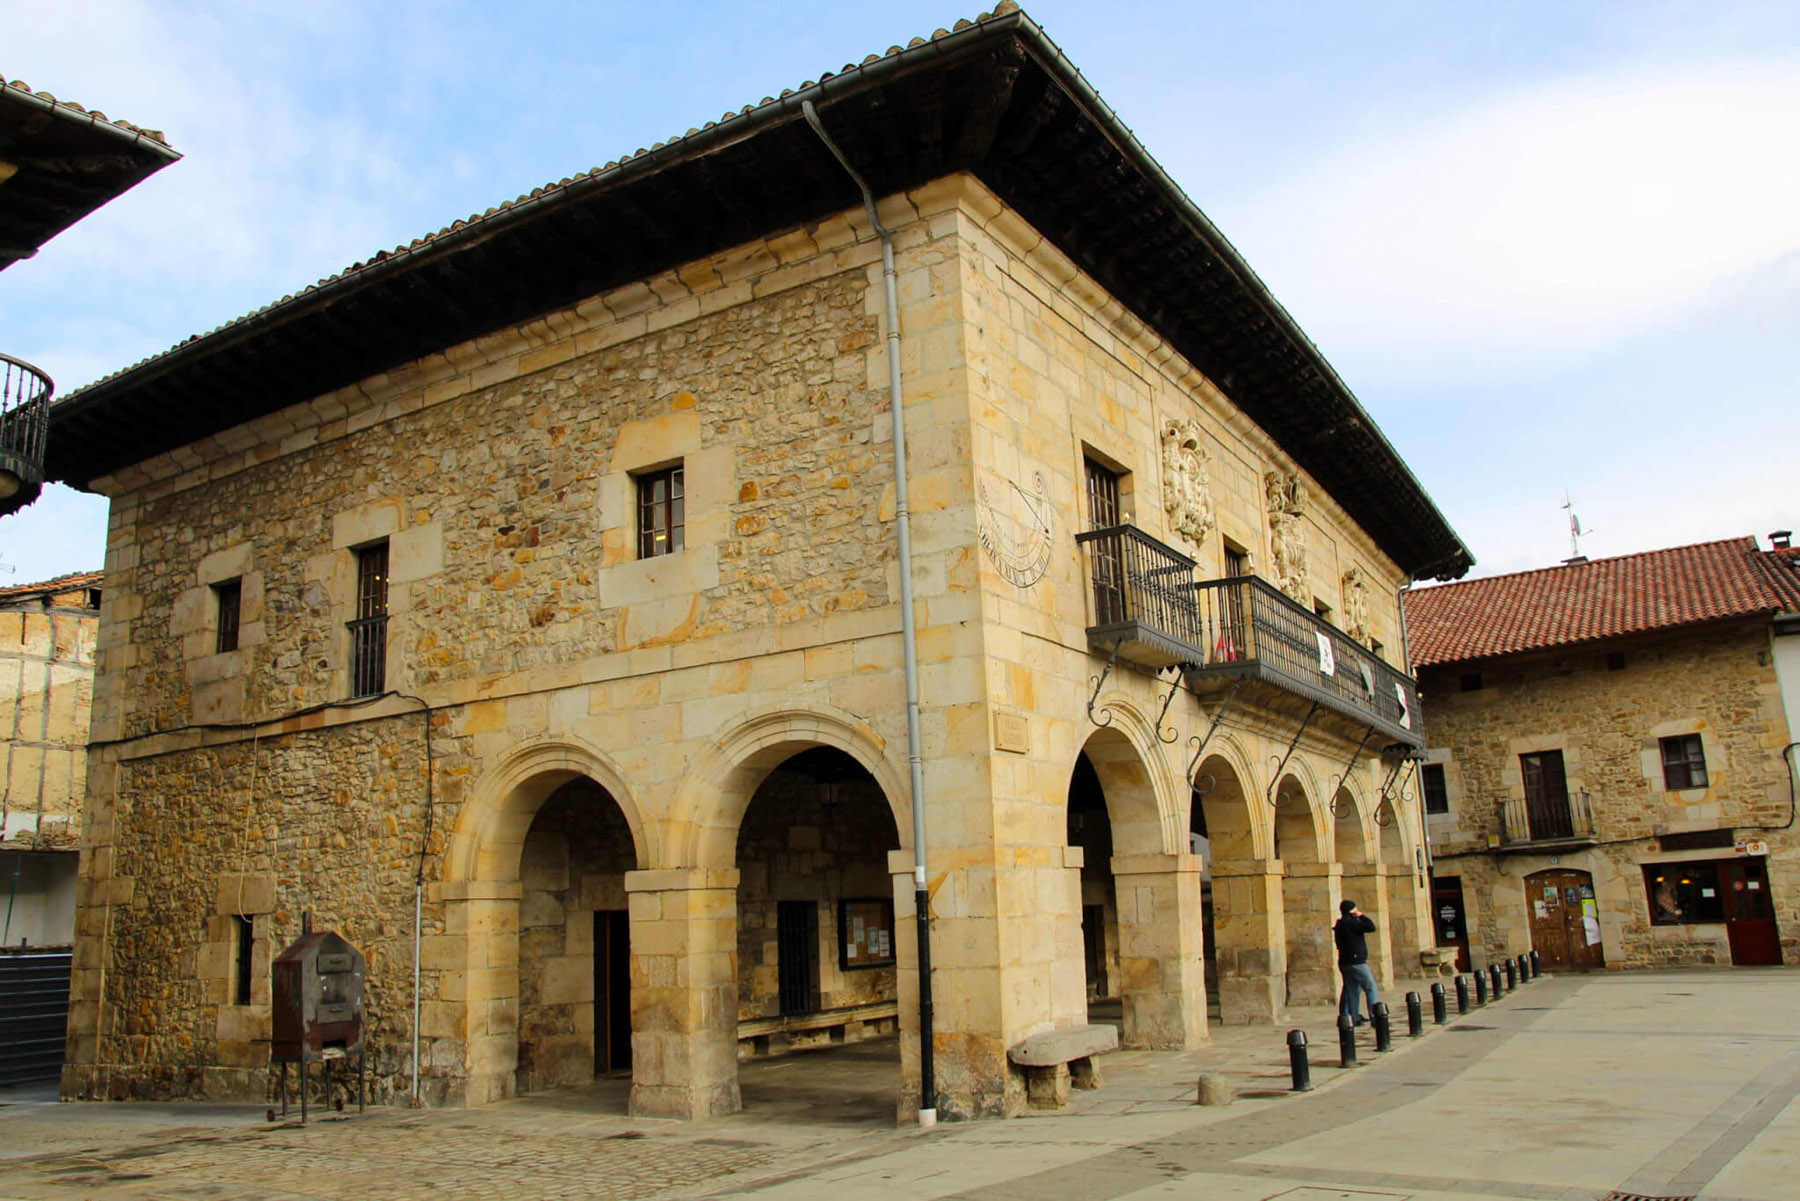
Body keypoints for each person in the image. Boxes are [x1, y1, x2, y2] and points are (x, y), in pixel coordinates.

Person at [1335, 899, 1379, 1025]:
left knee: (1352, 991)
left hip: (1345, 961)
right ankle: (1375, 1016)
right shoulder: (1352, 923)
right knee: (1371, 987)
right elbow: (1371, 927)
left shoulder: (1340, 924)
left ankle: (1353, 1017)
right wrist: (1361, 915)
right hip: (1357, 962)